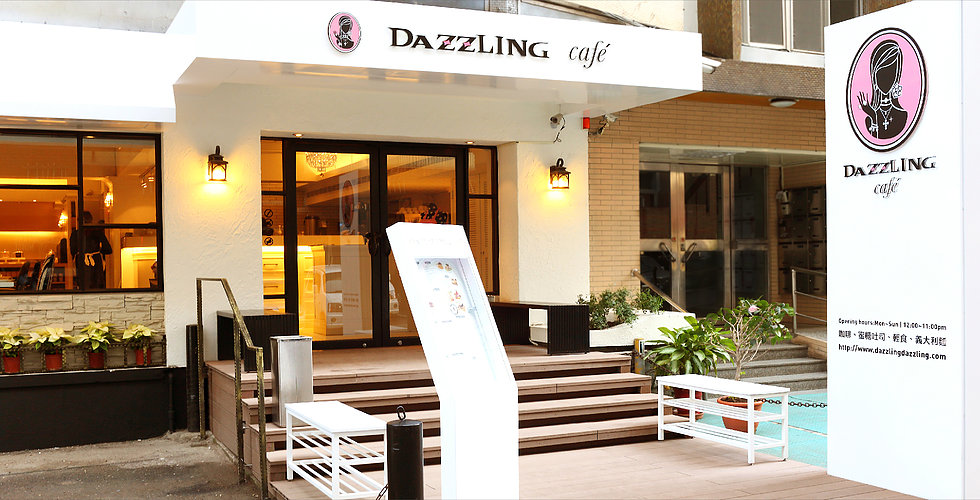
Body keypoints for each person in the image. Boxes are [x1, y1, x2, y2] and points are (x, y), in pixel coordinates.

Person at [857, 39, 908, 140]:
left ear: (897, 76)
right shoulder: (869, 119)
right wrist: (873, 116)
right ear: (874, 76)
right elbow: (874, 138)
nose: (887, 79)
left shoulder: (902, 116)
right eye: (882, 73)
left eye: (891, 73)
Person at [69, 211, 112, 289]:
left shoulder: (75, 234)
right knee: (96, 285)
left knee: (83, 286)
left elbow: (73, 250)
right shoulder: (97, 232)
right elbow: (108, 249)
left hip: (82, 262)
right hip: (96, 262)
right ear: (91, 221)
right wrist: (99, 251)